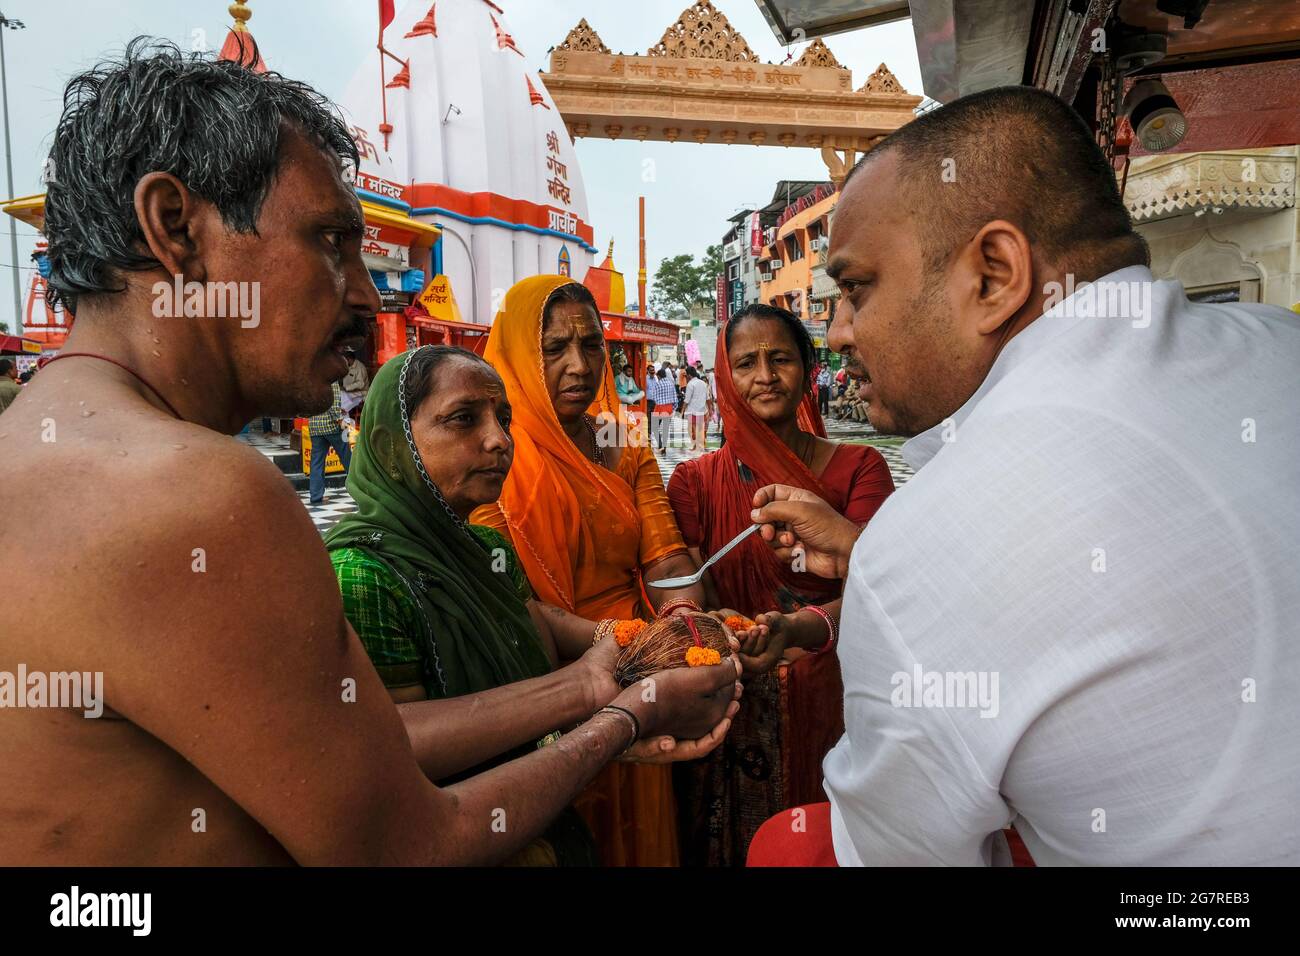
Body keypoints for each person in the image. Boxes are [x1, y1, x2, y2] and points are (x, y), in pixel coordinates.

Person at [0, 40, 738, 866]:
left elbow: (361, 744)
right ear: (175, 227)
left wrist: (588, 683)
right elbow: (404, 844)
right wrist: (626, 718)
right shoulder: (194, 493)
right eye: (329, 241)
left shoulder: (39, 446)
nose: (362, 291)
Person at [745, 85, 1300, 866]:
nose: (836, 332)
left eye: (857, 288)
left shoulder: (924, 553)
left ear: (995, 273)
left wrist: (888, 567)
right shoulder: (1276, 341)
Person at [472, 275, 714, 866]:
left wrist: (684, 621)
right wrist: (624, 646)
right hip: (542, 674)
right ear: (519, 357)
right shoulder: (491, 454)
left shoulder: (625, 441)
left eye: (590, 345)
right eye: (554, 348)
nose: (578, 365)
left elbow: (667, 557)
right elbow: (506, 601)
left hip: (641, 675)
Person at [667, 304, 894, 866]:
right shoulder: (694, 481)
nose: (764, 376)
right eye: (746, 363)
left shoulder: (861, 467)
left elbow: (885, 587)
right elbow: (688, 589)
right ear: (725, 377)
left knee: (828, 842)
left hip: (838, 691)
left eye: (780, 359)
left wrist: (798, 628)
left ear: (807, 369)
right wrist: (719, 627)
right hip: (734, 686)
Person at [306, 380, 352, 504]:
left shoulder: (311, 381)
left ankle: (316, 496)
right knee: (348, 458)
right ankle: (359, 489)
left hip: (315, 427)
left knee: (316, 462)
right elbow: (332, 403)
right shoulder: (332, 381)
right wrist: (339, 420)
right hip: (332, 427)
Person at [682, 365, 710, 453]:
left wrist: (682, 410)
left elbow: (687, 400)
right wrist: (710, 408)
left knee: (692, 429)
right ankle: (700, 446)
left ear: (689, 375)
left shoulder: (690, 384)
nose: (686, 377)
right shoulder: (703, 383)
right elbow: (707, 398)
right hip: (702, 410)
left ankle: (696, 446)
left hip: (692, 411)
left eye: (686, 375)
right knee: (700, 429)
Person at [648, 363, 677, 451]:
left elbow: (653, 397)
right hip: (669, 408)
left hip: (659, 407)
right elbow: (675, 399)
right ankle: (664, 445)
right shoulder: (671, 384)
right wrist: (673, 408)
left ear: (659, 376)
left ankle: (660, 445)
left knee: (655, 427)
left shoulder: (658, 384)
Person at [339, 353, 369, 422]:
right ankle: (343, 421)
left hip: (361, 394)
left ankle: (345, 422)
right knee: (340, 395)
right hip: (349, 393)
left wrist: (346, 388)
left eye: (345, 360)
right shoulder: (348, 366)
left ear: (349, 359)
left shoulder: (360, 367)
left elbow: (361, 384)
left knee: (343, 404)